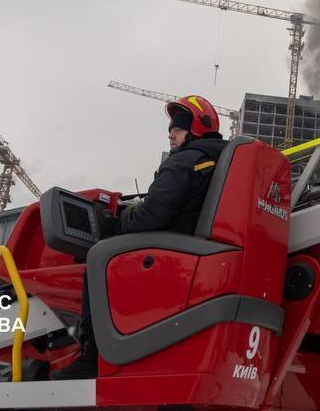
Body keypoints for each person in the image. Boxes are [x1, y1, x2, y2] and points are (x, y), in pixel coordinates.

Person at [54, 95, 229, 380]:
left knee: (98, 258)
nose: (170, 134)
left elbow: (151, 215)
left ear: (195, 129)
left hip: (172, 248)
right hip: (193, 247)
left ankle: (92, 356)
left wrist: (115, 223)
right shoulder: (215, 157)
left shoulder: (185, 161)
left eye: (178, 128)